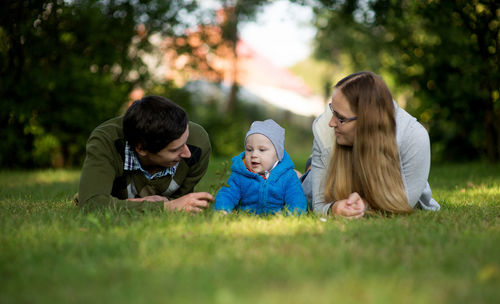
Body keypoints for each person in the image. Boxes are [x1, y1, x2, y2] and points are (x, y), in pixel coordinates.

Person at [302, 71, 440, 218]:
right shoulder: (324, 128)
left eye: (341, 118)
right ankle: (309, 167)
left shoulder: (413, 137)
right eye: (332, 111)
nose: (331, 122)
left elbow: (403, 203)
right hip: (331, 171)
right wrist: (334, 208)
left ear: (367, 122)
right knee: (304, 184)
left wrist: (366, 205)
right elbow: (318, 204)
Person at [76, 95, 214, 212]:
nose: (187, 153)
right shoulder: (106, 141)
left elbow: (182, 202)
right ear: (141, 149)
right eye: (174, 150)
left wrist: (135, 205)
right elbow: (92, 204)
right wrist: (166, 208)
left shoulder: (198, 144)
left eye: (185, 142)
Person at [213, 119, 307, 215]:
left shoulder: (288, 176)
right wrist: (222, 209)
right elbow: (227, 194)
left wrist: (294, 214)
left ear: (278, 155)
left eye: (262, 150)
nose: (254, 154)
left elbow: (296, 198)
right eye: (249, 150)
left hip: (276, 217)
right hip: (247, 216)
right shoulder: (240, 175)